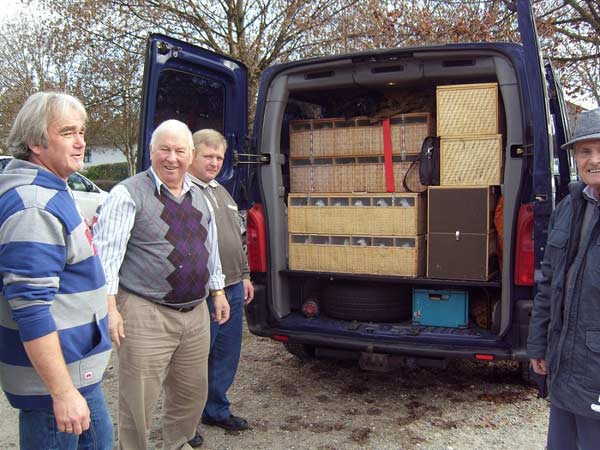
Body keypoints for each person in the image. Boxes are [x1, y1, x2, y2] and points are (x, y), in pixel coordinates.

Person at [93, 119, 230, 450]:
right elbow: (106, 257)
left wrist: (219, 291)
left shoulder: (200, 196)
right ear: (151, 152)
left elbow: (208, 248)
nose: (172, 158)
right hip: (144, 310)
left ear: (190, 154)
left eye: (180, 151)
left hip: (196, 311)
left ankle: (178, 443)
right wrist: (109, 308)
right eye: (164, 150)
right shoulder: (128, 193)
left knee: (191, 391)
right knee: (138, 397)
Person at [0, 91, 114, 450]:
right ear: (35, 141)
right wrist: (62, 392)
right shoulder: (34, 206)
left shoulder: (53, 188)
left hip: (77, 372)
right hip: (53, 386)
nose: (81, 142)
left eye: (81, 131)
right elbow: (31, 310)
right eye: (67, 132)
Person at [528, 107, 600, 450]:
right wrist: (539, 344)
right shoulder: (570, 206)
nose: (593, 160)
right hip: (565, 367)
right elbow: (549, 284)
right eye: (585, 151)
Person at [186, 129, 254, 446]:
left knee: (226, 354)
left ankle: (215, 409)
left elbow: (235, 240)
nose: (214, 163)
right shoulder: (182, 192)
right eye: (208, 156)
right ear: (191, 154)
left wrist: (244, 275)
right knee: (196, 357)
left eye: (219, 158)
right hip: (203, 293)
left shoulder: (221, 192)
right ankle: (185, 422)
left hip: (232, 288)